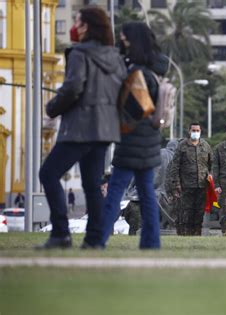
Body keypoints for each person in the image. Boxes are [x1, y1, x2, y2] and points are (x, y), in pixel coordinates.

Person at [37, 7, 126, 249]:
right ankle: (95, 239)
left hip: (80, 127)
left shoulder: (79, 54)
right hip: (105, 129)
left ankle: (61, 233)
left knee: (48, 173)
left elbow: (73, 87)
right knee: (91, 184)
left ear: (86, 26)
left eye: (76, 21)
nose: (74, 25)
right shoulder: (115, 56)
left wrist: (52, 107)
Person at [101, 22, 168, 249]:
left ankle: (98, 238)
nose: (121, 40)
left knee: (115, 191)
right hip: (148, 141)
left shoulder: (137, 73)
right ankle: (152, 242)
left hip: (132, 141)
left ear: (134, 41)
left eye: (124, 38)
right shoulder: (153, 69)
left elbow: (137, 108)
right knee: (147, 195)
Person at [167, 123, 212, 236]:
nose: (195, 132)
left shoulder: (205, 146)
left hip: (201, 185)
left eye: (197, 130)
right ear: (189, 131)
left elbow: (212, 164)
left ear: (200, 131)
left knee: (199, 212)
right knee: (185, 212)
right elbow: (175, 166)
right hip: (185, 186)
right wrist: (176, 184)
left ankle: (197, 234)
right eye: (193, 130)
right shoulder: (182, 146)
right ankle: (184, 234)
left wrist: (211, 175)